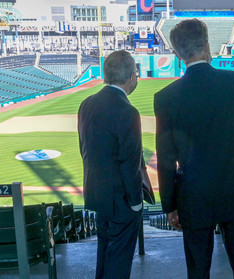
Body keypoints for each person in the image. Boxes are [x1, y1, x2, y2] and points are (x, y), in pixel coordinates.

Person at [154, 19, 234, 279]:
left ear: (177, 53)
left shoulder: (165, 97)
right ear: (206, 44)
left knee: (197, 271)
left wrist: (170, 206)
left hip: (194, 196)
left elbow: (166, 159)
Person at [77, 50, 143, 279]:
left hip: (97, 194)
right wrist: (136, 202)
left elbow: (84, 149)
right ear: (131, 78)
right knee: (119, 261)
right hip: (121, 201)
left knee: (104, 252)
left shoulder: (87, 104)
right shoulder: (128, 112)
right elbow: (130, 163)